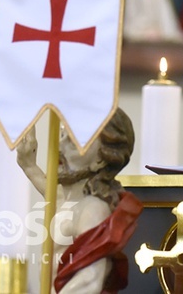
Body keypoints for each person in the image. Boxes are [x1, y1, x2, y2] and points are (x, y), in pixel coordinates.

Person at [16, 108, 143, 293]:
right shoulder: (67, 201)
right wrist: (28, 165)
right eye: (61, 135)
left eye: (74, 142)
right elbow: (52, 191)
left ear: (100, 159)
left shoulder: (92, 210)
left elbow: (89, 280)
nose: (59, 146)